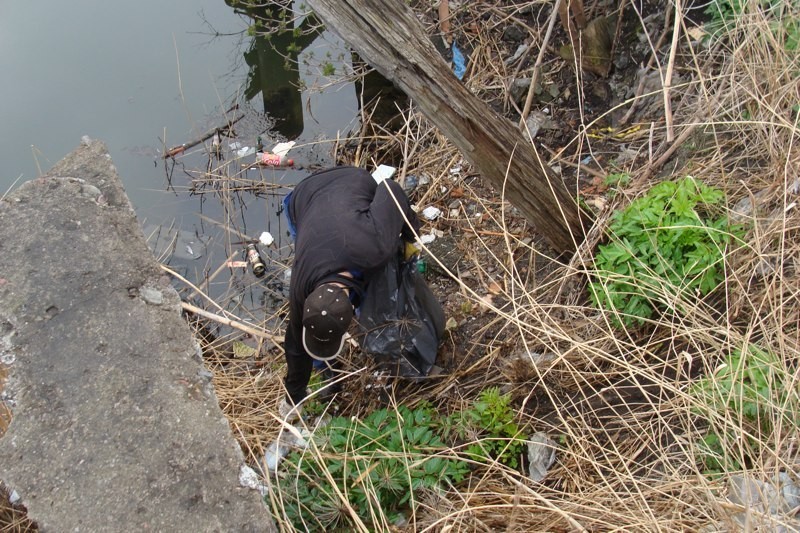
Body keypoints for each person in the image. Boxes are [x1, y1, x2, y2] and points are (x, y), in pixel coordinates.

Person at [279, 166, 420, 418]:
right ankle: (326, 368)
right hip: (305, 196)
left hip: (351, 180)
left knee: (381, 271)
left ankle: (325, 364)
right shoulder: (301, 287)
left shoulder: (374, 247)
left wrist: (411, 235)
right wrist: (293, 398)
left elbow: (391, 189)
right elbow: (295, 343)